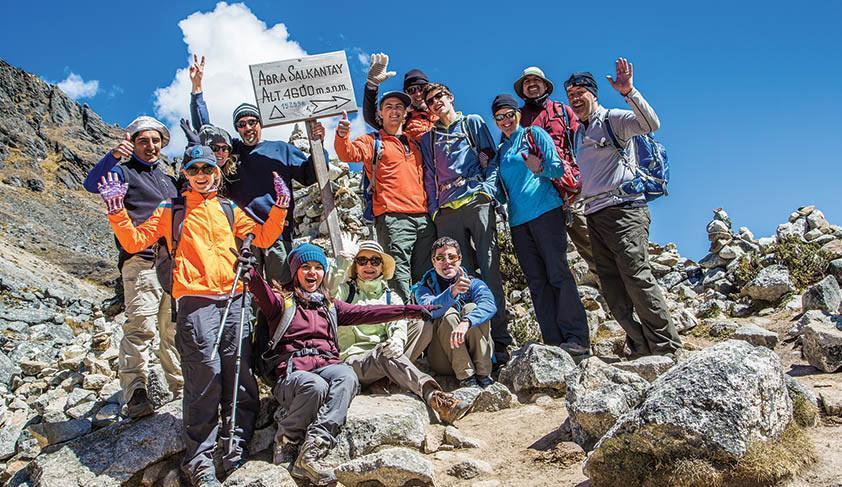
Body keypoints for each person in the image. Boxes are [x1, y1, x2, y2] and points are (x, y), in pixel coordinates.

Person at [98, 144, 291, 486]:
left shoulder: (230, 209)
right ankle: (199, 458)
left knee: (237, 370)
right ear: (185, 175)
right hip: (195, 301)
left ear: (216, 172)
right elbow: (134, 241)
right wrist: (116, 212)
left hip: (235, 299)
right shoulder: (170, 210)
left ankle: (237, 444)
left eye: (206, 169)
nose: (201, 175)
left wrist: (280, 207)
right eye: (194, 170)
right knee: (204, 373)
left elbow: (263, 236)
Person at [247, 243, 434, 486]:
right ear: (295, 272)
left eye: (317, 267)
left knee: (347, 376)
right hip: (293, 370)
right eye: (305, 267)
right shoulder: (282, 302)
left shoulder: (330, 305)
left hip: (326, 363)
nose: (312, 273)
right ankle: (287, 441)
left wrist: (412, 311)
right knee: (314, 386)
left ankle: (314, 448)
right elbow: (262, 292)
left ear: (324, 272)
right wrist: (250, 272)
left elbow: (370, 313)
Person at [564, 59, 682, 357]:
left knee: (636, 276)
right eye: (571, 95)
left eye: (580, 93)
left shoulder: (613, 119)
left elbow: (650, 124)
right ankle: (640, 345)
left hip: (624, 210)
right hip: (594, 214)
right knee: (612, 287)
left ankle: (666, 346)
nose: (575, 99)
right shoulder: (579, 133)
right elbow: (591, 175)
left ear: (593, 94)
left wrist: (629, 91)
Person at [188, 54, 327, 284]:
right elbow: (205, 129)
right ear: (237, 129)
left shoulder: (282, 149)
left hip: (277, 233)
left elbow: (310, 175)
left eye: (252, 121)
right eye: (241, 124)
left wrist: (318, 145)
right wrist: (197, 90)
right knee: (246, 290)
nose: (248, 127)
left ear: (261, 123)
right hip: (241, 233)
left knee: (279, 290)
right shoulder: (233, 151)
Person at [82, 116, 182, 419]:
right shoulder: (123, 173)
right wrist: (114, 155)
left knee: (173, 331)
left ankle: (180, 389)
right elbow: (91, 184)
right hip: (141, 262)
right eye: (143, 141)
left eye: (155, 141)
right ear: (133, 144)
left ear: (162, 144)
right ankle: (136, 392)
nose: (150, 146)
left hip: (173, 265)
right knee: (141, 327)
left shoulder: (170, 180)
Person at [324, 236, 470, 423]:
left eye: (375, 261)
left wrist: (398, 340)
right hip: (354, 359)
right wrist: (342, 262)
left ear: (382, 267)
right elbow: (326, 292)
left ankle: (386, 378)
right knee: (385, 354)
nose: (369, 266)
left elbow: (399, 323)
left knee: (422, 324)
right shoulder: (346, 292)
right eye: (362, 261)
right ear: (355, 266)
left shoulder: (390, 296)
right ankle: (434, 396)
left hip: (385, 354)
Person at [418, 82, 511, 365]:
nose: (436, 103)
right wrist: (435, 211)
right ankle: (474, 346)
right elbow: (430, 177)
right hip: (447, 212)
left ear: (450, 97)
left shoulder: (472, 123)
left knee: (490, 270)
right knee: (460, 279)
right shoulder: (428, 139)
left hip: (477, 202)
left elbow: (490, 159)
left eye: (439, 97)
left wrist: (487, 191)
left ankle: (500, 342)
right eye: (430, 101)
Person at [490, 94, 590, 354]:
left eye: (509, 114)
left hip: (546, 210)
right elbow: (503, 193)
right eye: (499, 117)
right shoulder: (501, 151)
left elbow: (557, 168)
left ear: (518, 114)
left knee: (558, 273)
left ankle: (577, 338)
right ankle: (554, 343)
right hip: (518, 222)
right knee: (536, 282)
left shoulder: (534, 134)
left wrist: (539, 168)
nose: (505, 120)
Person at [334, 90, 436, 301]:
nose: (394, 111)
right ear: (380, 113)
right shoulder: (373, 141)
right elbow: (348, 153)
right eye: (388, 106)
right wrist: (342, 135)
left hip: (424, 218)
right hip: (393, 218)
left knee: (425, 275)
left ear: (406, 113)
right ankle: (402, 326)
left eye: (399, 107)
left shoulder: (416, 142)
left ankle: (424, 323)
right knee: (398, 276)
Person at [513, 66, 596, 273]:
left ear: (545, 85)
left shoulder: (562, 111)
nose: (531, 85)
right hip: (538, 197)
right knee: (552, 259)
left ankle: (612, 294)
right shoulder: (516, 120)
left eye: (536, 81)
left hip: (571, 191)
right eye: (527, 82)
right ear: (522, 89)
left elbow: (583, 141)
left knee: (591, 246)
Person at [414, 237, 496, 387]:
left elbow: (489, 304)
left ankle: (484, 375)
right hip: (443, 358)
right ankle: (467, 378)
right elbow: (429, 309)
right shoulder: (424, 287)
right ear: (433, 261)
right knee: (447, 314)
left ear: (460, 259)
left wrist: (467, 322)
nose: (447, 262)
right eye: (440, 258)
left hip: (475, 353)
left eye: (452, 257)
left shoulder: (474, 283)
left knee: (471, 309)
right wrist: (452, 292)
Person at [361, 53, 435, 139]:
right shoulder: (403, 119)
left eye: (422, 88)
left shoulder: (441, 111)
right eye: (411, 90)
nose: (418, 94)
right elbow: (371, 118)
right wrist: (372, 86)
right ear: (407, 94)